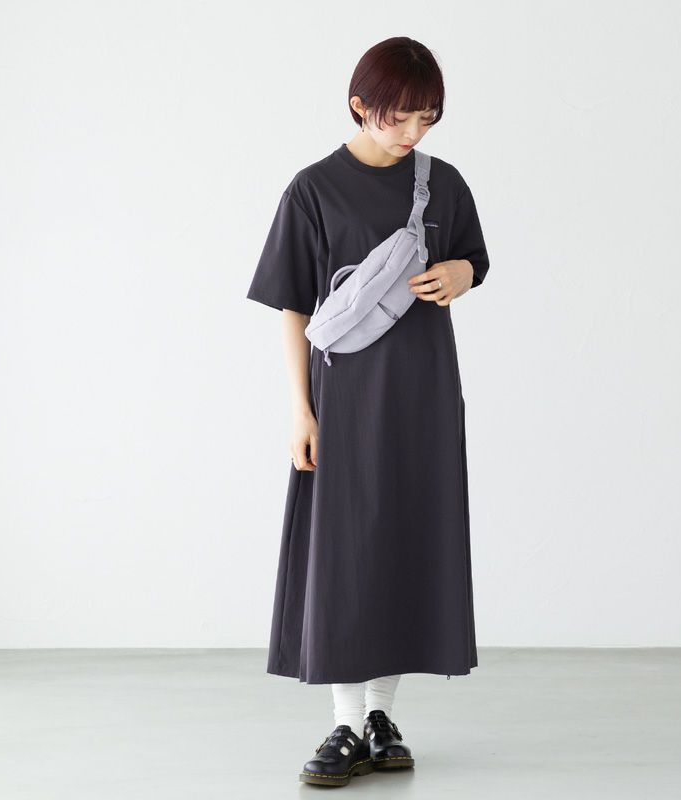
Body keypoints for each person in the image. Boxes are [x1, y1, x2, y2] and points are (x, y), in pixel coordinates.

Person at [246, 36, 490, 787]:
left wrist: (461, 271)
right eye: (399, 116)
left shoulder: (442, 184)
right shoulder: (313, 189)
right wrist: (301, 411)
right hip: (344, 399)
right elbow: (291, 305)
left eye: (427, 117)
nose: (414, 132)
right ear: (359, 105)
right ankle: (345, 725)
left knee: (404, 543)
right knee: (344, 553)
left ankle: (381, 718)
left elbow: (475, 260)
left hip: (423, 394)